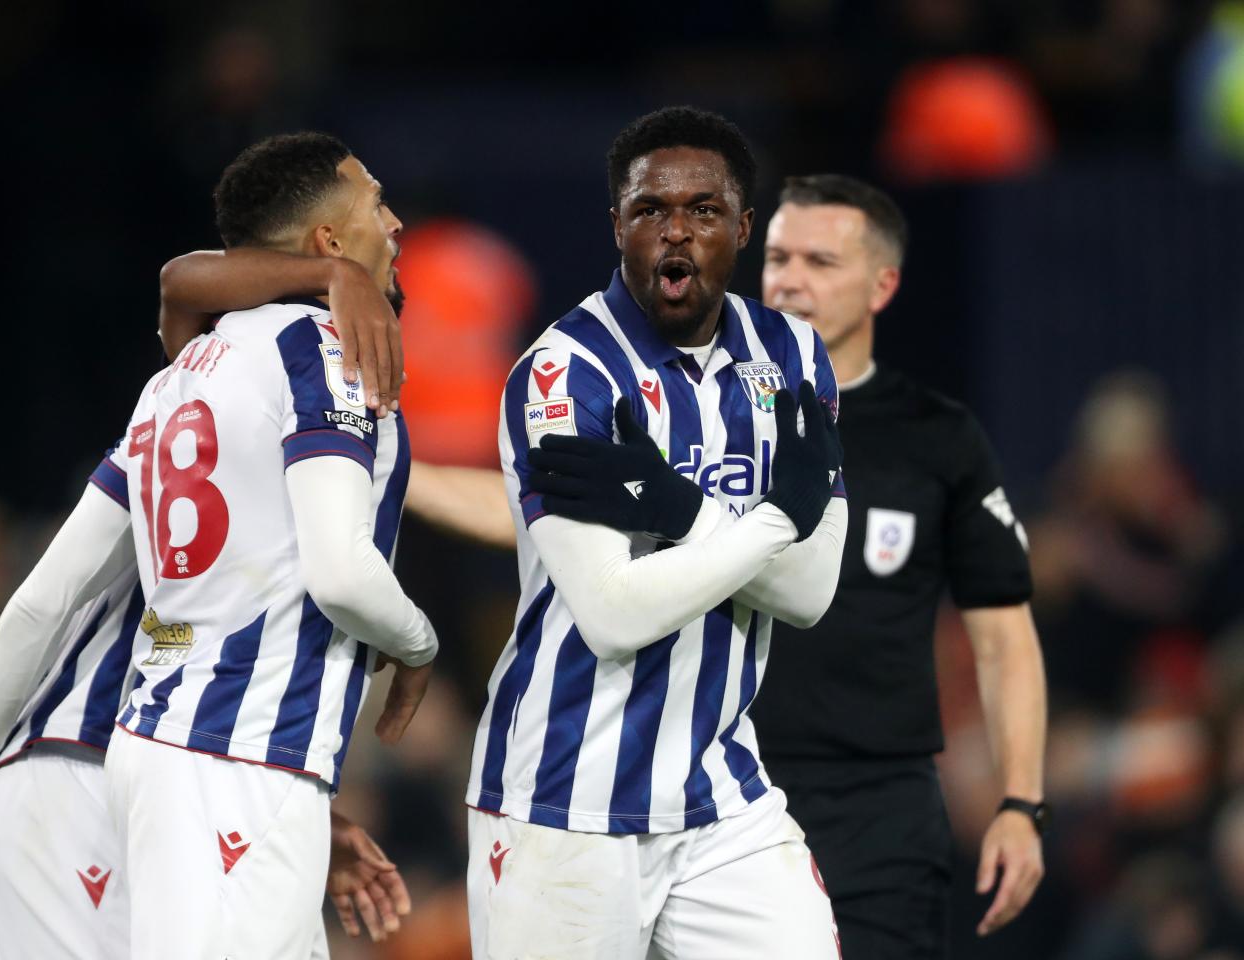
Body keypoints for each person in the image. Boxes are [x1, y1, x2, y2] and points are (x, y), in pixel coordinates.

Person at [464, 106, 848, 959]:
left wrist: (674, 509)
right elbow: (614, 614)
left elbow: (812, 594)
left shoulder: (793, 357)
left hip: (721, 797)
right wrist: (773, 521)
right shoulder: (565, 374)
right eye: (650, 211)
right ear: (618, 226)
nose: (675, 233)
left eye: (703, 211)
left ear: (743, 228)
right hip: (564, 800)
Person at [103, 132, 436, 960]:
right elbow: (341, 574)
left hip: (179, 744)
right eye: (375, 203)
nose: (394, 223)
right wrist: (417, 643)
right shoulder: (318, 355)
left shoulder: (183, 373)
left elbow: (179, 281)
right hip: (238, 756)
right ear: (327, 240)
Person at [750, 174, 1048, 955]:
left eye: (820, 260)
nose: (789, 279)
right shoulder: (699, 414)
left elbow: (1003, 636)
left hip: (878, 808)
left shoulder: (938, 438)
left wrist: (1022, 803)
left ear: (883, 285)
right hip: (722, 786)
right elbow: (560, 521)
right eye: (778, 255)